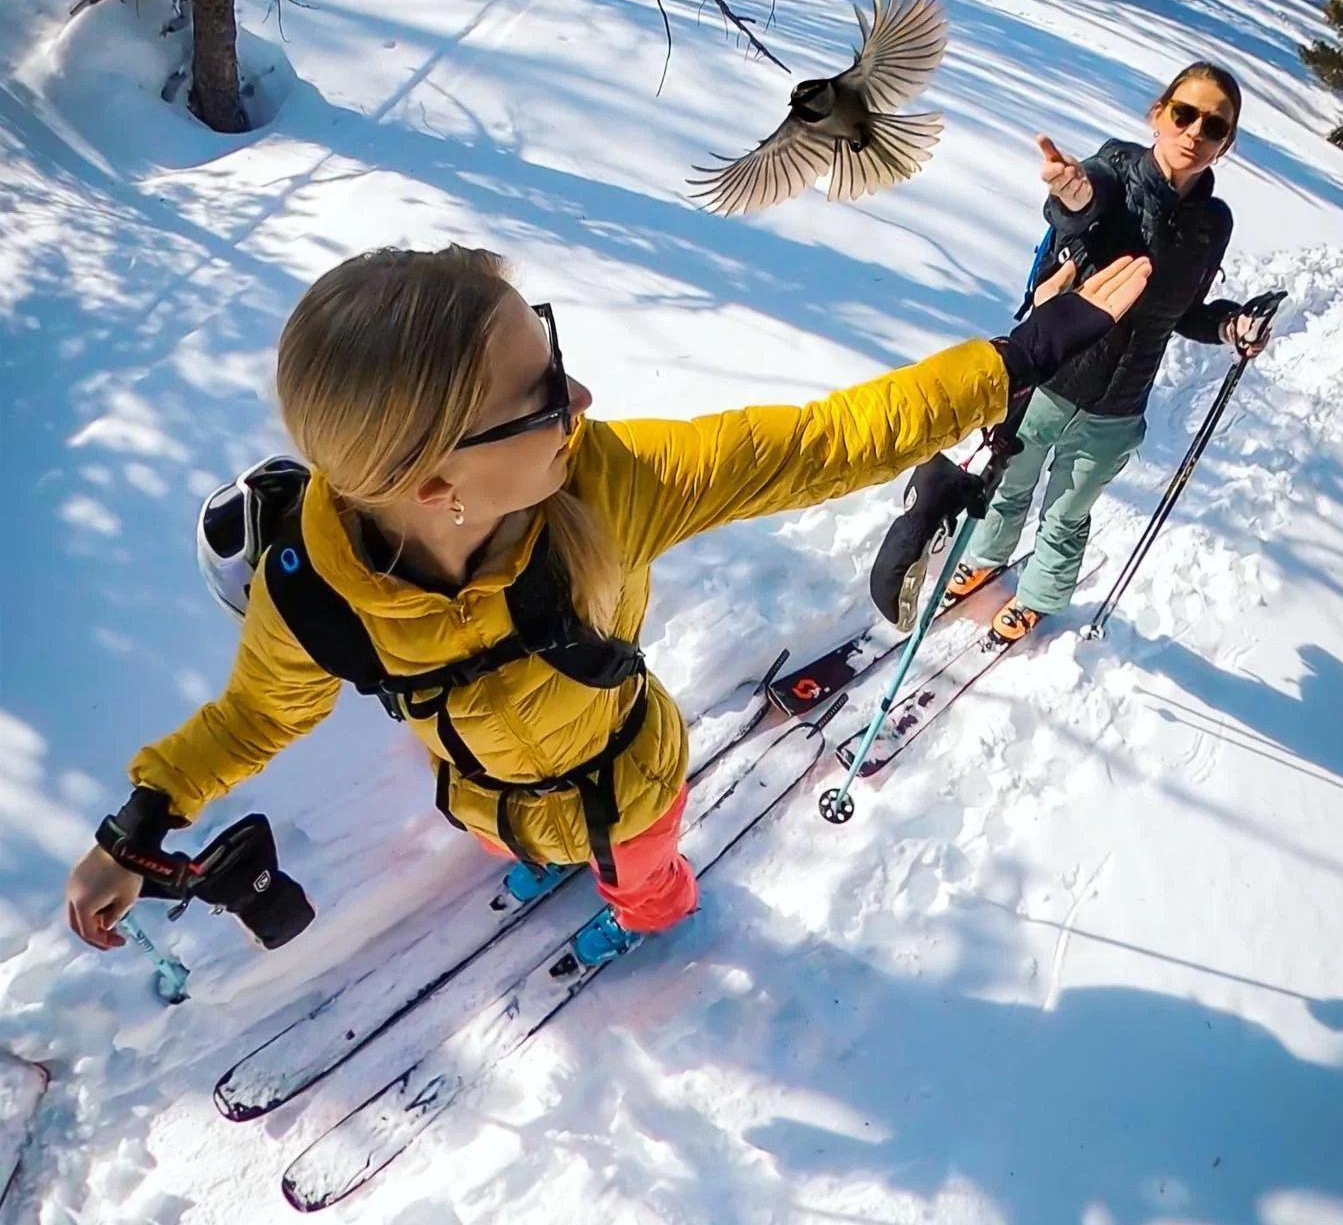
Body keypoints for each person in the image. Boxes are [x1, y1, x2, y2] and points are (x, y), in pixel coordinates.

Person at [64, 244, 1149, 966]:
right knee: (518, 841)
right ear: (435, 487)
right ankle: (550, 862)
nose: (579, 399)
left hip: (631, 781)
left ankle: (650, 917)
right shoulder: (311, 594)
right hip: (483, 797)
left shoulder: (608, 480)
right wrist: (142, 822)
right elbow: (255, 715)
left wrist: (1017, 359)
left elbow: (822, 441)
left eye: (554, 354)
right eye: (540, 393)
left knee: (645, 878)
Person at [942, 61, 1271, 643]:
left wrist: (1230, 326)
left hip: (1119, 402)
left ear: (1227, 143)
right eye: (1184, 114)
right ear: (1158, 115)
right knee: (1009, 479)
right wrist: (1070, 196)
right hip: (1050, 373)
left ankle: (1040, 596)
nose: (1195, 132)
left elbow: (1186, 311)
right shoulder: (1115, 168)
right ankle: (986, 558)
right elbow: (1082, 201)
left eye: (1214, 126)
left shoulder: (1213, 223)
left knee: (1067, 511)